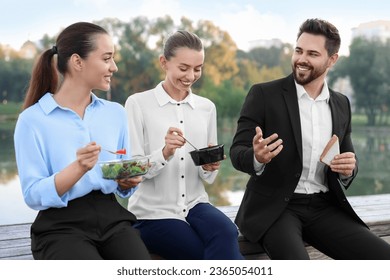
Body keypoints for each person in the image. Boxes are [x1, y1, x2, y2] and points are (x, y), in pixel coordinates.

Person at [230, 18, 390, 260]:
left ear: (332, 60)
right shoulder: (263, 94)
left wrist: (349, 168)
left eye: (312, 53)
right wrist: (256, 157)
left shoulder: (341, 104)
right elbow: (237, 152)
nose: (301, 59)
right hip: (275, 209)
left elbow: (349, 158)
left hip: (324, 207)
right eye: (298, 50)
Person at [13, 22, 150, 260]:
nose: (114, 67)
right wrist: (78, 168)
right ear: (78, 62)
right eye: (106, 58)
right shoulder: (32, 120)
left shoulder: (115, 113)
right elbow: (33, 194)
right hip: (60, 226)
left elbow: (119, 179)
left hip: (113, 219)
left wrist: (127, 181)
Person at [124, 30, 243, 260]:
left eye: (197, 68)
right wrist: (165, 152)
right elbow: (133, 169)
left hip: (195, 204)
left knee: (227, 231)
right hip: (152, 214)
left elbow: (206, 177)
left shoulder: (206, 107)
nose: (191, 76)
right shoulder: (137, 104)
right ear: (164, 62)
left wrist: (209, 167)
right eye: (183, 68)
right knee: (199, 253)